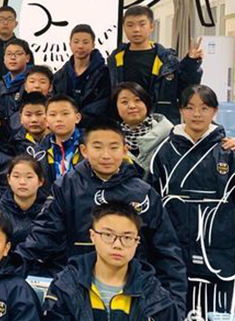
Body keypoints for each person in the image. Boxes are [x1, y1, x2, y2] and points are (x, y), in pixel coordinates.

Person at [17, 122, 188, 309]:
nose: (106, 155)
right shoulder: (67, 186)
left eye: (113, 147)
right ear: (84, 150)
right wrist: (7, 267)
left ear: (125, 150)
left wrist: (176, 304)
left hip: (132, 291)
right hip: (77, 286)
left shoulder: (143, 193)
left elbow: (166, 250)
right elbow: (43, 236)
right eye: (97, 147)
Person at [149, 85, 235, 315]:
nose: (197, 114)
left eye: (204, 108)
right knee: (174, 306)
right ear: (180, 110)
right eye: (190, 107)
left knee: (218, 311)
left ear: (215, 111)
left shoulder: (228, 151)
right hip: (174, 239)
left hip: (219, 242)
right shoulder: (164, 151)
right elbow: (153, 199)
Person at [42, 202, 183, 321]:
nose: (117, 245)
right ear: (93, 236)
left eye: (127, 238)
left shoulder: (156, 297)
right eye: (108, 235)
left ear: (137, 242)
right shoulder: (65, 286)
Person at [107, 5, 203, 124]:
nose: (136, 30)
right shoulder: (115, 60)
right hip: (123, 123)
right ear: (123, 27)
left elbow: (186, 90)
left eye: (142, 24)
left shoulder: (167, 60)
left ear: (151, 26)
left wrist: (191, 62)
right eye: (130, 25)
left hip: (160, 124)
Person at [53, 24, 111, 129]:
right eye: (76, 42)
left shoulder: (104, 73)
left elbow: (103, 103)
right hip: (65, 128)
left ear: (93, 45)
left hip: (96, 128)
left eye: (85, 42)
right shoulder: (60, 75)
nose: (80, 46)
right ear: (70, 44)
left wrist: (77, 118)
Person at [111, 82, 173, 173]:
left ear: (146, 103)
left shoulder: (169, 134)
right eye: (124, 102)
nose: (132, 106)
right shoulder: (110, 139)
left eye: (137, 100)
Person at [0, 155, 45, 246]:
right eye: (16, 176)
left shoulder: (49, 212)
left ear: (40, 181)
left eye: (29, 177)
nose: (22, 182)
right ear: (9, 179)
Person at [34, 94, 84, 188]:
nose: (59, 119)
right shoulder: (38, 151)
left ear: (77, 118)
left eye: (65, 114)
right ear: (46, 120)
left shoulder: (90, 144)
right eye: (53, 115)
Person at [0, 38, 32, 122]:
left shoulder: (32, 83)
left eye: (18, 54)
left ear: (27, 58)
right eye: (9, 54)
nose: (13, 57)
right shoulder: (1, 85)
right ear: (4, 59)